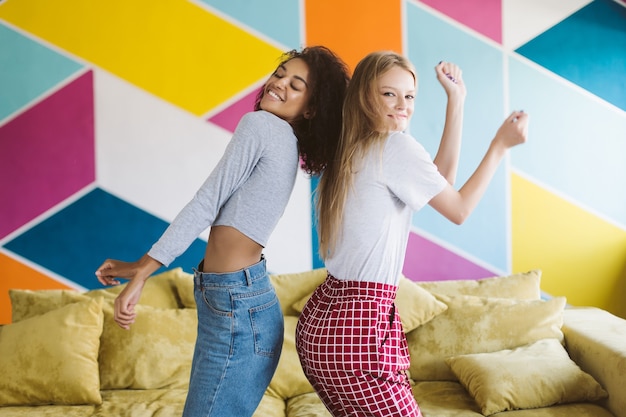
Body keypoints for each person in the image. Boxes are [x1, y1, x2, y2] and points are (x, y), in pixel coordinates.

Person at [95, 46, 350, 417]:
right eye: (280, 74)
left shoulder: (262, 125)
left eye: (296, 86)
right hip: (241, 306)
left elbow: (207, 201)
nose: (279, 84)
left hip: (237, 309)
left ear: (310, 109)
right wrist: (140, 266)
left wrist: (143, 271)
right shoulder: (285, 141)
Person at [296, 51, 528, 417]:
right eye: (389, 94)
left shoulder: (354, 147)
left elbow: (440, 185)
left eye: (410, 96)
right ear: (364, 96)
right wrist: (499, 146)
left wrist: (457, 100)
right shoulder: (394, 147)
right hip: (358, 328)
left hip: (322, 326)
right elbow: (459, 209)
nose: (402, 105)